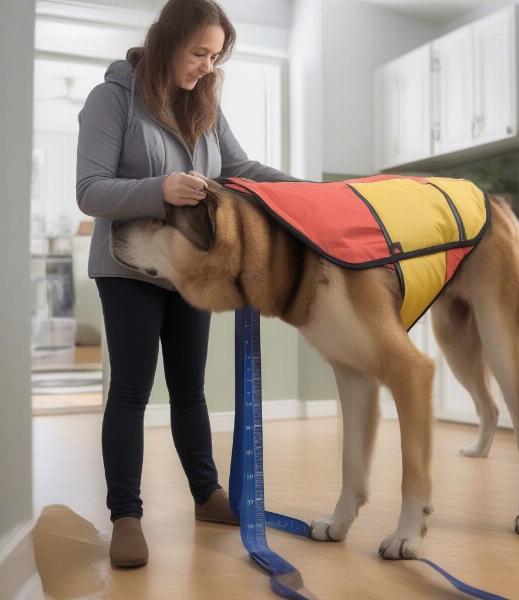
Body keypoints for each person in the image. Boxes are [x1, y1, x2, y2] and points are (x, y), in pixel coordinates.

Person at [76, 0, 299, 568]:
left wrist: (304, 190)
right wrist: (162, 188)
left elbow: (240, 169)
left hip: (189, 269)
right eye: (199, 52)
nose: (207, 64)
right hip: (128, 267)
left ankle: (206, 494)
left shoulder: (205, 104)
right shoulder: (113, 99)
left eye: (216, 55)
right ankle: (126, 514)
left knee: (190, 390)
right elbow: (90, 191)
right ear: (167, 40)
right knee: (130, 392)